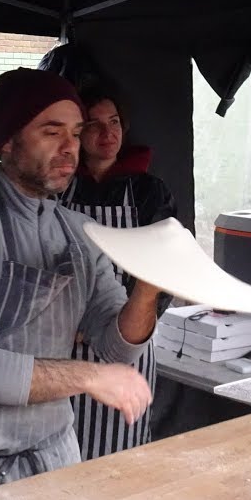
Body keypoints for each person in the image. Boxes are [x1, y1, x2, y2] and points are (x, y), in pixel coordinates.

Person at [0, 67, 161, 500]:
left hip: (55, 449)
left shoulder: (80, 232)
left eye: (75, 133)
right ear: (7, 142)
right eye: (51, 131)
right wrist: (91, 377)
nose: (70, 149)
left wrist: (151, 287)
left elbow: (117, 347)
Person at [57, 85, 177, 460]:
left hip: (130, 335)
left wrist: (133, 326)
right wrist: (64, 320)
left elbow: (167, 267)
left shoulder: (148, 192)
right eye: (94, 125)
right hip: (64, 342)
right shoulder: (58, 187)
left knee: (118, 452)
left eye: (114, 123)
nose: (107, 135)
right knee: (61, 446)